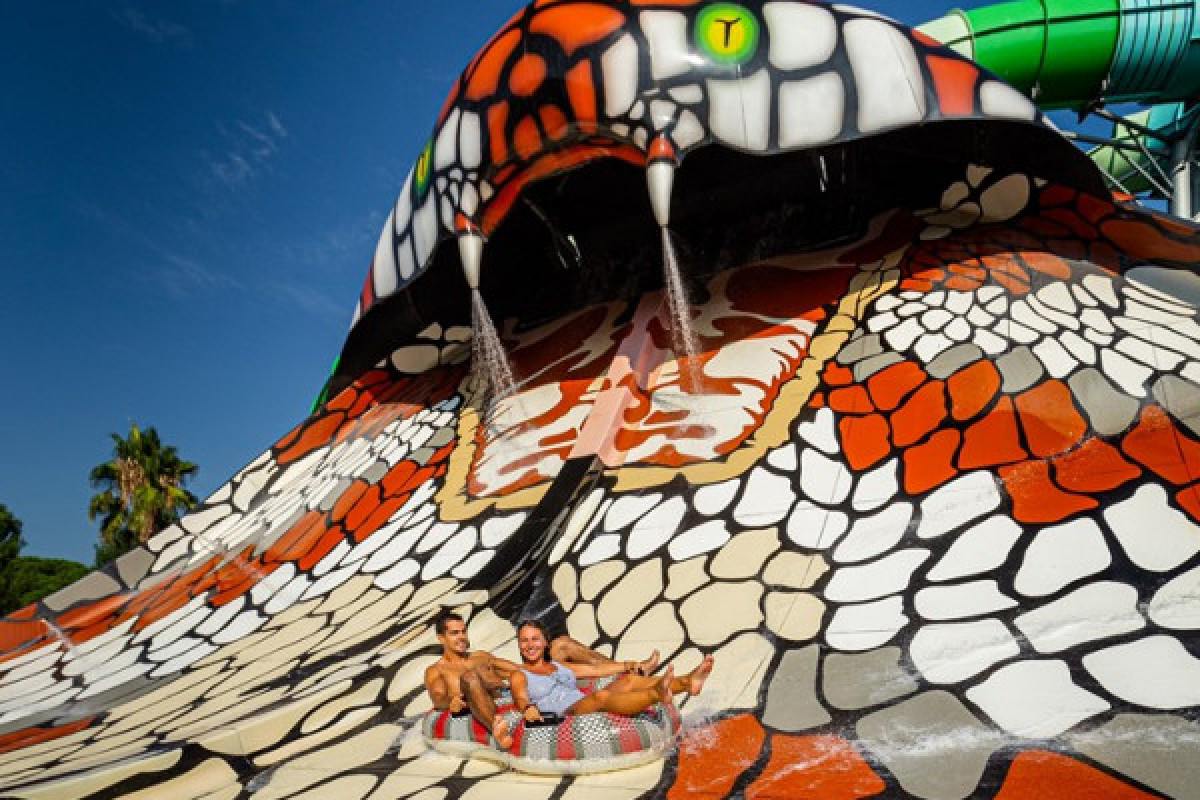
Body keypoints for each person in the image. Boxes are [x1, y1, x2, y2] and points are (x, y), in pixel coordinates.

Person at [424, 610, 660, 734]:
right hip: (491, 704)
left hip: (515, 688)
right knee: (469, 678)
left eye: (463, 631)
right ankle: (495, 730)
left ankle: (633, 668)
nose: (462, 638)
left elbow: (519, 670)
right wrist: (450, 702)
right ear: (440, 638)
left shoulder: (481, 657)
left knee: (562, 644)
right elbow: (438, 697)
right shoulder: (437, 670)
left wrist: (548, 668)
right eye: (455, 633)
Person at [493, 619, 714, 749]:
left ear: (545, 642)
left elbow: (596, 670)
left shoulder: (560, 667)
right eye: (524, 640)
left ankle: (686, 682)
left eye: (535, 639)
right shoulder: (520, 674)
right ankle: (657, 693)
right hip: (567, 712)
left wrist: (629, 665)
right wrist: (527, 708)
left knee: (628, 680)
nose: (530, 645)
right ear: (519, 645)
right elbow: (521, 697)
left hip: (581, 701)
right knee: (601, 698)